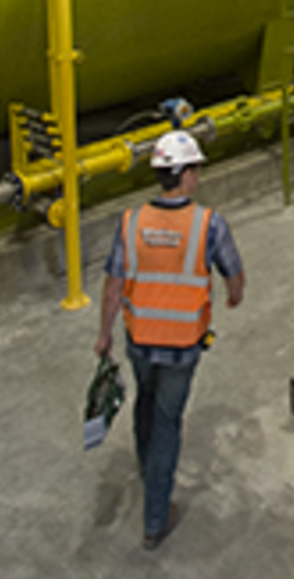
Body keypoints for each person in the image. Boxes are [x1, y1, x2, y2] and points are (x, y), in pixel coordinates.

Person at [94, 129, 244, 551]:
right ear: (188, 174)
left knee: (145, 397)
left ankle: (147, 467)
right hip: (181, 345)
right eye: (197, 169)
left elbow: (113, 285)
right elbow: (234, 274)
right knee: (167, 422)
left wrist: (104, 334)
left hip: (139, 339)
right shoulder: (208, 223)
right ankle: (156, 519)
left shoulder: (131, 222)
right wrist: (235, 295)